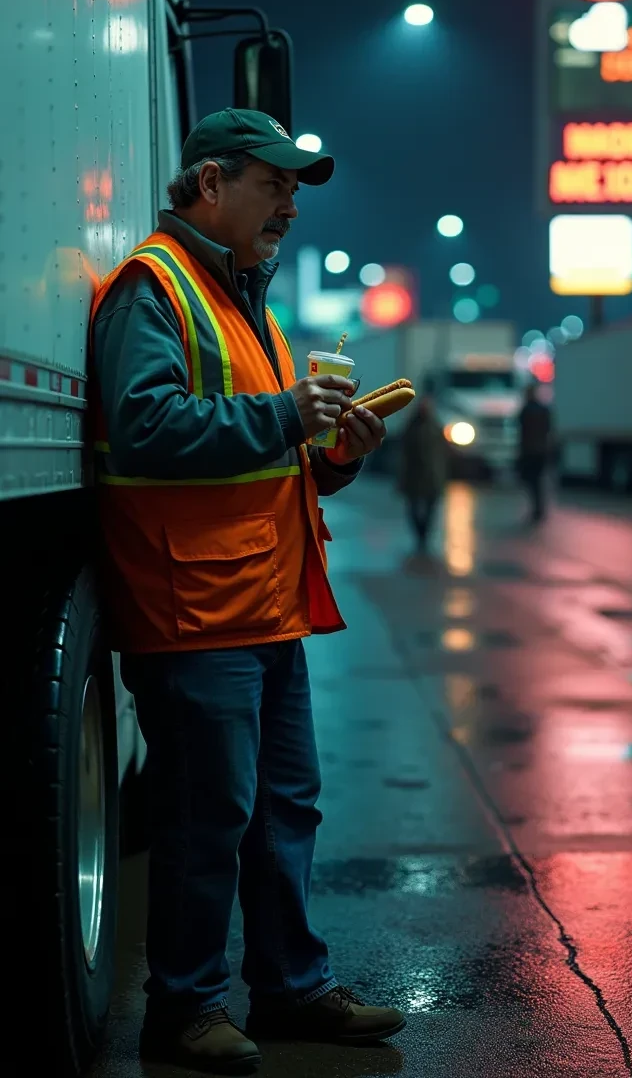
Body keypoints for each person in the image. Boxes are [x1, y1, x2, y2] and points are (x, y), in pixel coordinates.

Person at [90, 108, 406, 1075]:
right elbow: (146, 427)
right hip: (193, 614)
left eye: (296, 190)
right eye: (274, 185)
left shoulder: (241, 297)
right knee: (207, 814)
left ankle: (292, 991)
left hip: (260, 605)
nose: (289, 208)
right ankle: (183, 1012)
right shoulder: (156, 287)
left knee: (283, 810)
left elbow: (264, 453)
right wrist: (282, 414)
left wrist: (333, 455)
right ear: (209, 183)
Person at [397, 395, 448, 550]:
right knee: (413, 507)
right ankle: (420, 534)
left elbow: (443, 452)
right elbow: (404, 453)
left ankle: (424, 535)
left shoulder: (435, 427)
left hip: (432, 475)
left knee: (430, 508)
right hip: (415, 475)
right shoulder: (412, 427)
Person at [517, 383, 554, 522]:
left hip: (530, 451)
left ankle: (536, 509)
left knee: (532, 482)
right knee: (538, 482)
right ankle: (539, 509)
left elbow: (522, 433)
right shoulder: (543, 410)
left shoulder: (526, 411)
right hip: (540, 451)